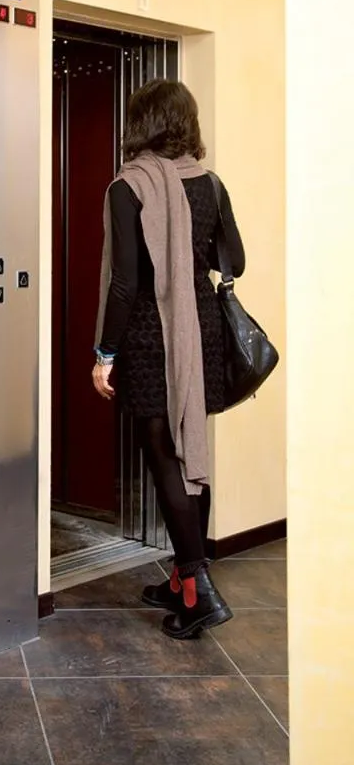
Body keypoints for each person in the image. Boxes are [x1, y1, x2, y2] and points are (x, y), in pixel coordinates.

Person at [91, 79, 245, 640]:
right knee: (189, 452)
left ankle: (200, 592)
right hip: (199, 330)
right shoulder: (210, 183)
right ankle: (184, 577)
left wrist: (104, 354)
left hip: (151, 336)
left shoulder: (128, 186)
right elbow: (237, 260)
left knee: (164, 459)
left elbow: (126, 284)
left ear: (142, 123)